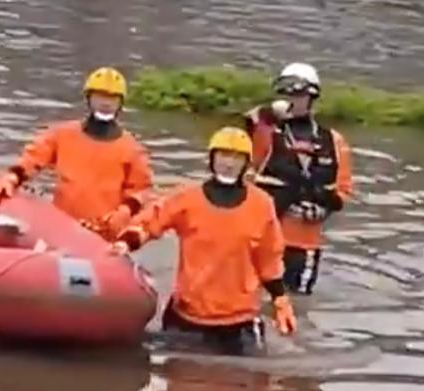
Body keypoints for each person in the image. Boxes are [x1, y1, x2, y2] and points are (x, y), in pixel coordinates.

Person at [111, 127, 296, 356]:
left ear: (246, 163)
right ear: (211, 159)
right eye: (223, 155)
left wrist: (280, 299)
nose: (229, 163)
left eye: (237, 157)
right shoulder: (187, 197)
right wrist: (126, 242)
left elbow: (269, 258)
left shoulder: (262, 204)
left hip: (238, 321)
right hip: (187, 316)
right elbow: (151, 220)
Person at [0, 67, 153, 240]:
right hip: (62, 226)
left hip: (104, 234)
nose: (106, 103)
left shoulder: (132, 149)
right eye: (100, 97)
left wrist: (127, 210)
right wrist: (12, 177)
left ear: (120, 103)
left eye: (112, 98)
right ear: (88, 98)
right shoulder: (62, 134)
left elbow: (142, 189)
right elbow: (34, 156)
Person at [244, 62, 353, 295]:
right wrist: (265, 114)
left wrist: (324, 208)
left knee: (298, 303)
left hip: (305, 242)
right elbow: (242, 166)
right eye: (287, 93)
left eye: (299, 94)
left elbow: (344, 189)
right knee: (252, 295)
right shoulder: (266, 132)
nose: (292, 99)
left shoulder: (332, 140)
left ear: (312, 97)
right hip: (264, 236)